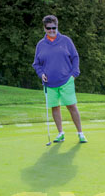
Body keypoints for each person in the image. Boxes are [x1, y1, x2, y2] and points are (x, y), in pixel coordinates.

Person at [32, 15, 87, 143]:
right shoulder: (41, 45)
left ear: (57, 26)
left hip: (66, 80)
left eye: (54, 28)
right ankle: (60, 133)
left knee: (71, 106)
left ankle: (80, 133)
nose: (51, 30)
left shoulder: (66, 41)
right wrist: (41, 74)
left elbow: (75, 57)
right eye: (48, 28)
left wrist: (74, 73)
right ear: (44, 28)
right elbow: (36, 64)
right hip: (49, 83)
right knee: (55, 107)